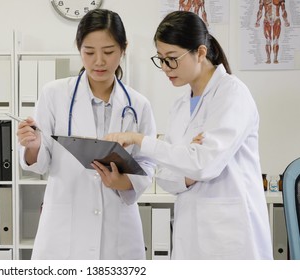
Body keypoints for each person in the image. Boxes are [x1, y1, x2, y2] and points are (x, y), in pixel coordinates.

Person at [105, 11, 273, 259]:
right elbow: (165, 176)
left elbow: (203, 165)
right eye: (160, 59)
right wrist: (188, 173)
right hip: (190, 236)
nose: (165, 68)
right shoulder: (181, 105)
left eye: (172, 59)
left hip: (231, 238)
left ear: (201, 52)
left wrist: (141, 140)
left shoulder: (232, 94)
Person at [17, 9, 156, 259]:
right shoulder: (54, 94)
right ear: (79, 48)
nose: (99, 61)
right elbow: (39, 163)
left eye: (109, 51)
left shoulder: (138, 104)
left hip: (118, 230)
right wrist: (34, 145)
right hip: (64, 228)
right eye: (89, 52)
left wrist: (122, 182)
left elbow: (148, 164)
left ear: (124, 49)